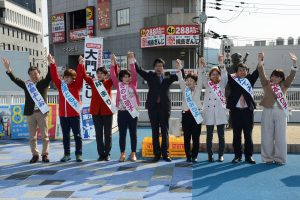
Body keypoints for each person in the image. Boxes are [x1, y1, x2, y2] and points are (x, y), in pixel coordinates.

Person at [2, 57, 51, 163]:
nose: (34, 76)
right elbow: (15, 79)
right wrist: (9, 69)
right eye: (31, 74)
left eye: (35, 73)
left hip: (42, 113)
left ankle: (45, 154)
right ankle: (35, 155)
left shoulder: (44, 83)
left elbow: (50, 75)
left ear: (39, 73)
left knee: (45, 136)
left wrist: (50, 64)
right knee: (32, 137)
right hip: (30, 113)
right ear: (29, 75)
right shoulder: (27, 85)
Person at [136, 57, 184, 162]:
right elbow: (139, 70)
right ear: (154, 67)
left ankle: (165, 154)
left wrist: (180, 68)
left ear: (163, 68)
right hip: (152, 107)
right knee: (154, 131)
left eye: (161, 66)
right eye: (157, 66)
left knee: (165, 130)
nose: (159, 68)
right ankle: (156, 155)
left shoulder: (168, 76)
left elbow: (181, 76)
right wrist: (133, 59)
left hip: (164, 107)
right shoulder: (150, 76)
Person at [258, 52, 298, 165]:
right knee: (266, 135)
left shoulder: (284, 85)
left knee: (281, 136)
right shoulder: (266, 84)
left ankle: (280, 158)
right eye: (273, 75)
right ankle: (267, 158)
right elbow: (261, 73)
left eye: (277, 76)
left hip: (281, 111)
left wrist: (294, 63)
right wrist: (260, 61)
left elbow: (291, 76)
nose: (274, 77)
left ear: (281, 79)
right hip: (267, 110)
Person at [48, 54, 84, 162]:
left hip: (74, 115)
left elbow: (80, 76)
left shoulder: (76, 85)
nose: (67, 78)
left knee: (77, 135)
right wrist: (52, 64)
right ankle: (67, 154)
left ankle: (78, 154)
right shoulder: (61, 86)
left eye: (69, 77)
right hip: (63, 115)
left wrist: (81, 65)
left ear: (73, 78)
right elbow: (54, 76)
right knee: (66, 136)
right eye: (65, 77)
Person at [82, 57, 118, 162]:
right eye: (98, 73)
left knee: (108, 134)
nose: (99, 75)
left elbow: (114, 75)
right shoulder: (93, 83)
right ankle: (101, 154)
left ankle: (107, 154)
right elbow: (84, 76)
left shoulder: (109, 83)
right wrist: (81, 64)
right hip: (96, 112)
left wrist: (113, 64)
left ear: (105, 75)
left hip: (107, 112)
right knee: (98, 134)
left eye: (101, 73)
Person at [227, 57, 259, 164]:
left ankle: (249, 156)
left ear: (247, 71)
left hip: (247, 111)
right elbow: (223, 74)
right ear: (236, 72)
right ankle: (237, 156)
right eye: (240, 70)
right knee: (236, 135)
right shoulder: (232, 80)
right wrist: (221, 63)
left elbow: (257, 71)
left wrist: (260, 61)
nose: (242, 71)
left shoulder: (249, 80)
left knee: (248, 135)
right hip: (236, 112)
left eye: (244, 70)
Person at [110, 52, 139, 162]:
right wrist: (113, 62)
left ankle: (133, 153)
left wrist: (131, 59)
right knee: (122, 134)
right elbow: (112, 75)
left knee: (133, 133)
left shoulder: (134, 83)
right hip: (122, 112)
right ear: (121, 78)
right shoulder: (119, 85)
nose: (127, 78)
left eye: (128, 76)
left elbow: (135, 73)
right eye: (124, 77)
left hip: (132, 112)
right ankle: (122, 153)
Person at [200, 55, 228, 162]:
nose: (214, 76)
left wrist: (221, 63)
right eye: (212, 74)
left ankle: (221, 155)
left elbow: (225, 75)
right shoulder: (207, 85)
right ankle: (210, 155)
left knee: (221, 136)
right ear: (210, 75)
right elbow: (202, 77)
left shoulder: (222, 84)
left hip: (220, 112)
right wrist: (202, 67)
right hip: (209, 112)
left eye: (216, 74)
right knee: (209, 136)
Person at [175, 58, 202, 163]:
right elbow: (180, 78)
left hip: (197, 115)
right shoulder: (184, 88)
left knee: (196, 137)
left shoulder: (198, 88)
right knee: (186, 137)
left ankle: (195, 156)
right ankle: (188, 156)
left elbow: (200, 79)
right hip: (186, 115)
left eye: (191, 81)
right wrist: (179, 67)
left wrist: (200, 66)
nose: (188, 82)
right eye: (188, 80)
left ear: (195, 82)